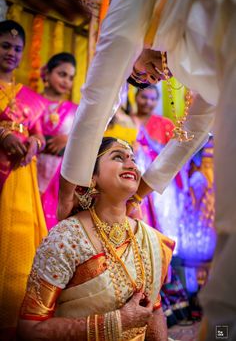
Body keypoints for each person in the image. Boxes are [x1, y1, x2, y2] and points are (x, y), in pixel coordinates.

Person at [57, 0, 236, 338]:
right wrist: (129, 193)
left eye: (140, 73)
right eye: (140, 80)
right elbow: (195, 127)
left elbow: (102, 92)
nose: (150, 77)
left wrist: (74, 185)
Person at [18, 137, 174, 341]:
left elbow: (154, 310)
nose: (131, 165)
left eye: (133, 159)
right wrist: (117, 322)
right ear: (91, 178)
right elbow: (29, 330)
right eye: (118, 157)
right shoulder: (66, 238)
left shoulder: (147, 237)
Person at [0, 20, 48, 340]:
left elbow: (40, 134)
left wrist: (34, 143)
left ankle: (14, 317)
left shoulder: (30, 96)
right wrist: (2, 134)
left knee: (18, 243)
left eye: (17, 48)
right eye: (5, 45)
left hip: (22, 175)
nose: (11, 53)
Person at [132, 85, 182, 243]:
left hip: (158, 179)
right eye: (144, 97)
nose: (148, 102)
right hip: (134, 177)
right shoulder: (127, 120)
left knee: (161, 220)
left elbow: (174, 154)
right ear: (135, 98)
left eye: (153, 99)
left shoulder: (165, 124)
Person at [37, 52, 77, 230]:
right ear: (46, 73)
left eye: (70, 77)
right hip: (29, 167)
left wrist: (69, 140)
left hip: (58, 178)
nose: (66, 81)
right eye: (62, 74)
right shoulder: (29, 101)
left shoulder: (76, 110)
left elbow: (87, 142)